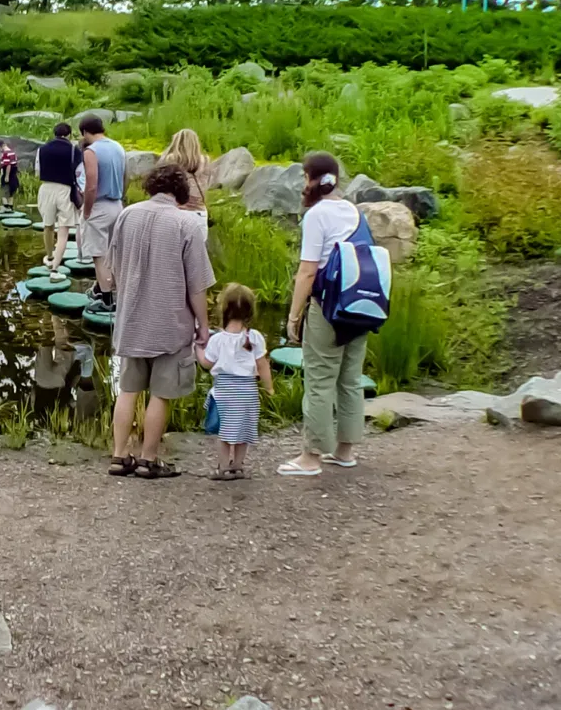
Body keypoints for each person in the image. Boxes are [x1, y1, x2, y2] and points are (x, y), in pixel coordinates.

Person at [106, 163, 215, 479]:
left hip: (131, 321)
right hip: (170, 325)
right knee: (161, 394)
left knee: (128, 391)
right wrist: (203, 327)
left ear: (151, 186)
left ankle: (118, 456)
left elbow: (112, 270)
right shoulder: (187, 223)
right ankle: (148, 459)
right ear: (180, 193)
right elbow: (197, 285)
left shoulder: (127, 215)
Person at [281, 152, 368, 478]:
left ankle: (311, 456)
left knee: (318, 381)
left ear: (313, 180)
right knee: (350, 379)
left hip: (328, 308)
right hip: (359, 307)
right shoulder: (352, 210)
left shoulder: (317, 215)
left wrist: (294, 316)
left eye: (305, 177)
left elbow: (307, 271)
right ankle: (345, 451)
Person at [197, 283, 273, 481]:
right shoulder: (255, 337)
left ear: (224, 309)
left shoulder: (217, 340)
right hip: (247, 391)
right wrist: (269, 388)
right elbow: (262, 365)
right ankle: (238, 466)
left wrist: (197, 349)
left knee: (224, 433)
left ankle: (223, 468)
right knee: (243, 430)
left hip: (225, 391)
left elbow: (206, 363)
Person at [77, 114, 127, 312]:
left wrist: (87, 210)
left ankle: (106, 300)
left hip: (99, 205)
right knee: (113, 253)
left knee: (98, 255)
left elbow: (91, 184)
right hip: (117, 204)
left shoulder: (91, 151)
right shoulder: (118, 147)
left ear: (85, 132)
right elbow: (125, 177)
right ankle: (101, 288)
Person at [34, 122, 82, 268]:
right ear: (69, 134)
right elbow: (79, 173)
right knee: (64, 228)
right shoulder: (74, 150)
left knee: (48, 225)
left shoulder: (42, 149)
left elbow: (37, 171)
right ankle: (56, 265)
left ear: (54, 133)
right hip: (65, 189)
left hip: (46, 188)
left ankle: (49, 257)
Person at [159, 127, 212, 236]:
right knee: (196, 251)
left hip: (177, 212)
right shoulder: (206, 161)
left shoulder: (170, 159)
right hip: (199, 214)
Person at [0, 139, 20, 211]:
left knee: (3, 191)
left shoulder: (5, 153)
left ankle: (5, 207)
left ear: (0, 146)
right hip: (13, 174)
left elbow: (8, 165)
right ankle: (10, 206)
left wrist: (6, 176)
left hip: (7, 173)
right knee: (11, 191)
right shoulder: (12, 152)